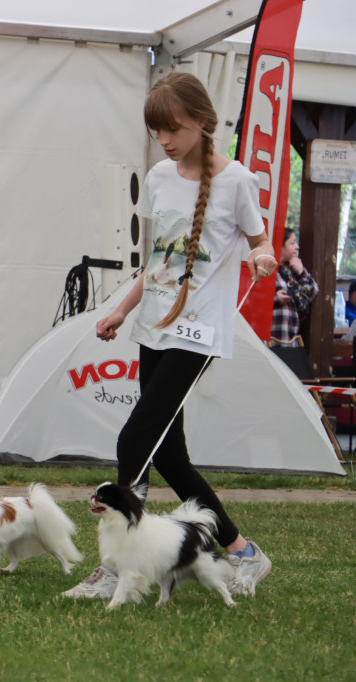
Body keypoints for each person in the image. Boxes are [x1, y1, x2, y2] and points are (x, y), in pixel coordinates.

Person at [61, 72, 275, 599]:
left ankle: (118, 570)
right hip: (153, 328)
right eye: (158, 131)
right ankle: (244, 552)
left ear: (202, 121)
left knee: (134, 439)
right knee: (169, 456)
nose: (167, 140)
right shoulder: (159, 177)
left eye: (174, 129)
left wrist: (262, 256)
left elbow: (261, 240)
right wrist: (119, 310)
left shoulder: (238, 181)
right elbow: (157, 263)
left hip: (196, 335)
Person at [270, 227, 318, 347]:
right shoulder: (268, 268)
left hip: (290, 341)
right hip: (270, 340)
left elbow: (314, 290)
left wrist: (301, 272)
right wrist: (275, 299)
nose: (297, 247)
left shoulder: (294, 267)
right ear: (280, 245)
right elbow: (253, 300)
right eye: (292, 243)